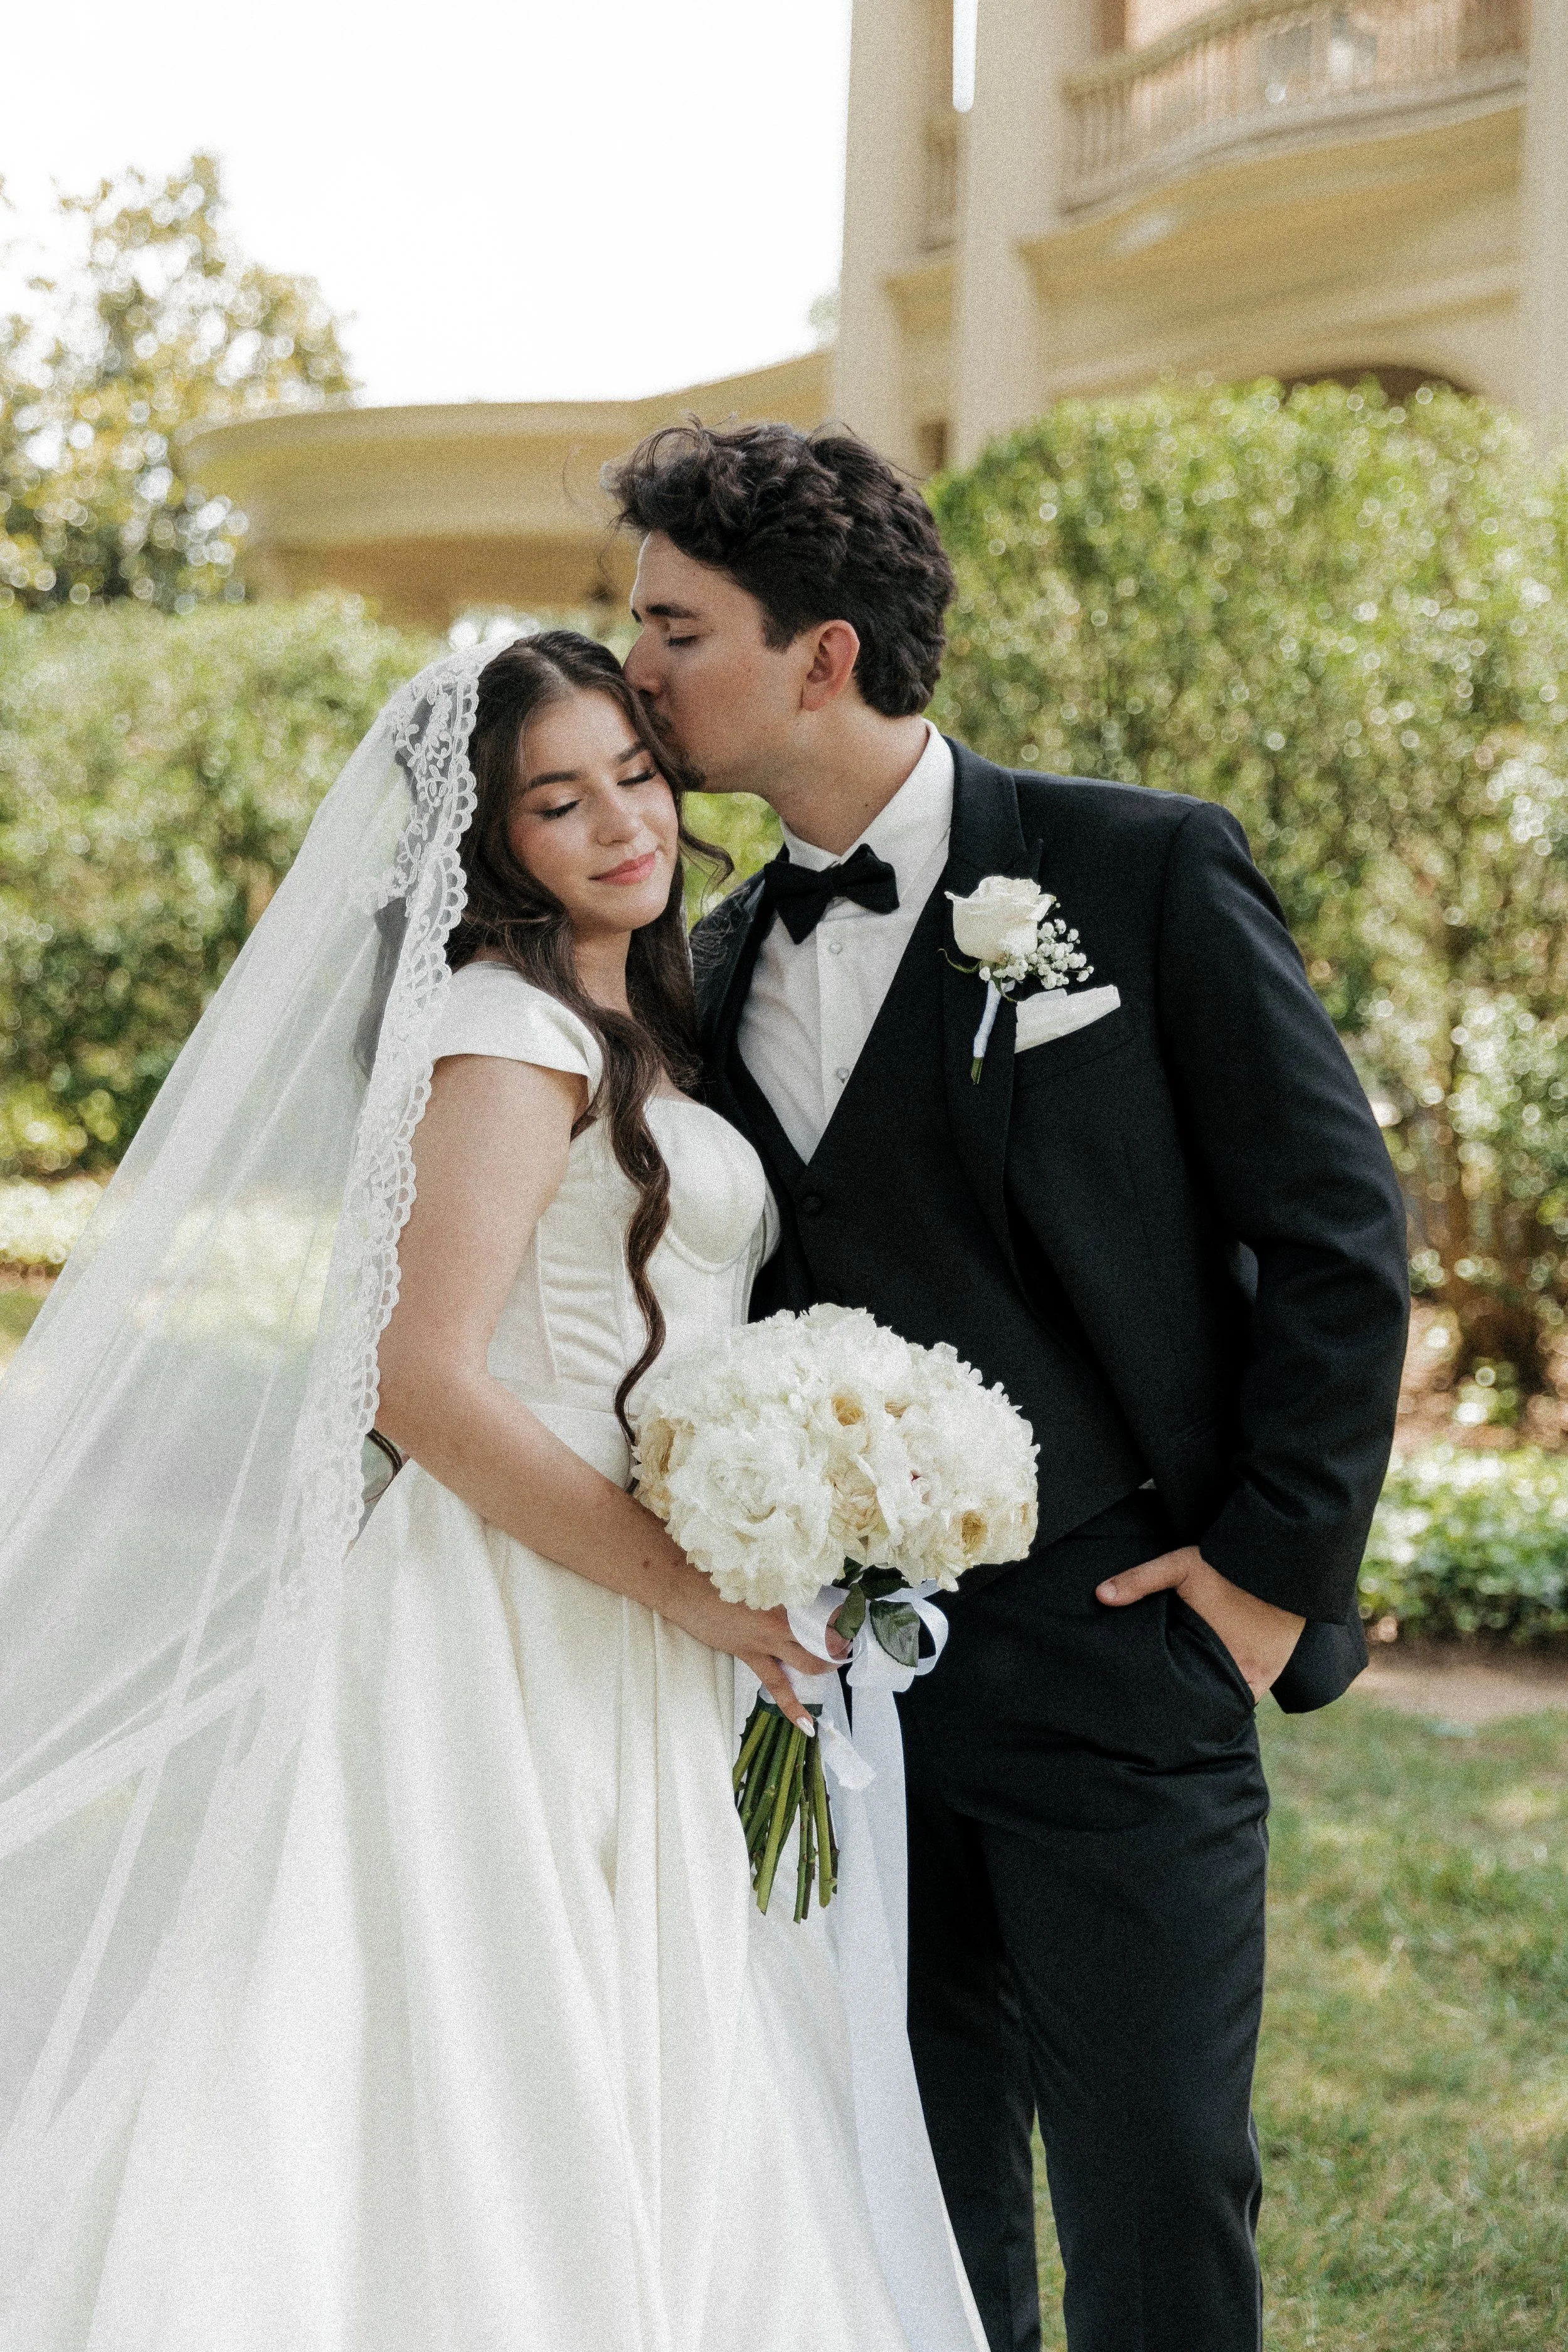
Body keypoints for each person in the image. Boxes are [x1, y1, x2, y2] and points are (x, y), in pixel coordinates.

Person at [0, 631, 987, 2351]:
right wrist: (682, 1580)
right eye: (558, 798)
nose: (622, 822)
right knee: (489, 2034)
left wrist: (775, 1502)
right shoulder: (508, 1024)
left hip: (634, 1605)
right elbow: (422, 1376)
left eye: (631, 771)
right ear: (489, 841)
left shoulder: (630, 1013)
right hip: (511, 1614)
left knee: (643, 2025)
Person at [611, 421, 1412, 2352]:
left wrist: (1259, 1579)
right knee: (905, 2178)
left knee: (1155, 2188)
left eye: (672, 626)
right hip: (846, 1690)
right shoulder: (702, 963)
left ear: (821, 655)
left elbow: (1336, 1231)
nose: (634, 669)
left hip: (1130, 1645)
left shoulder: (1131, 872)